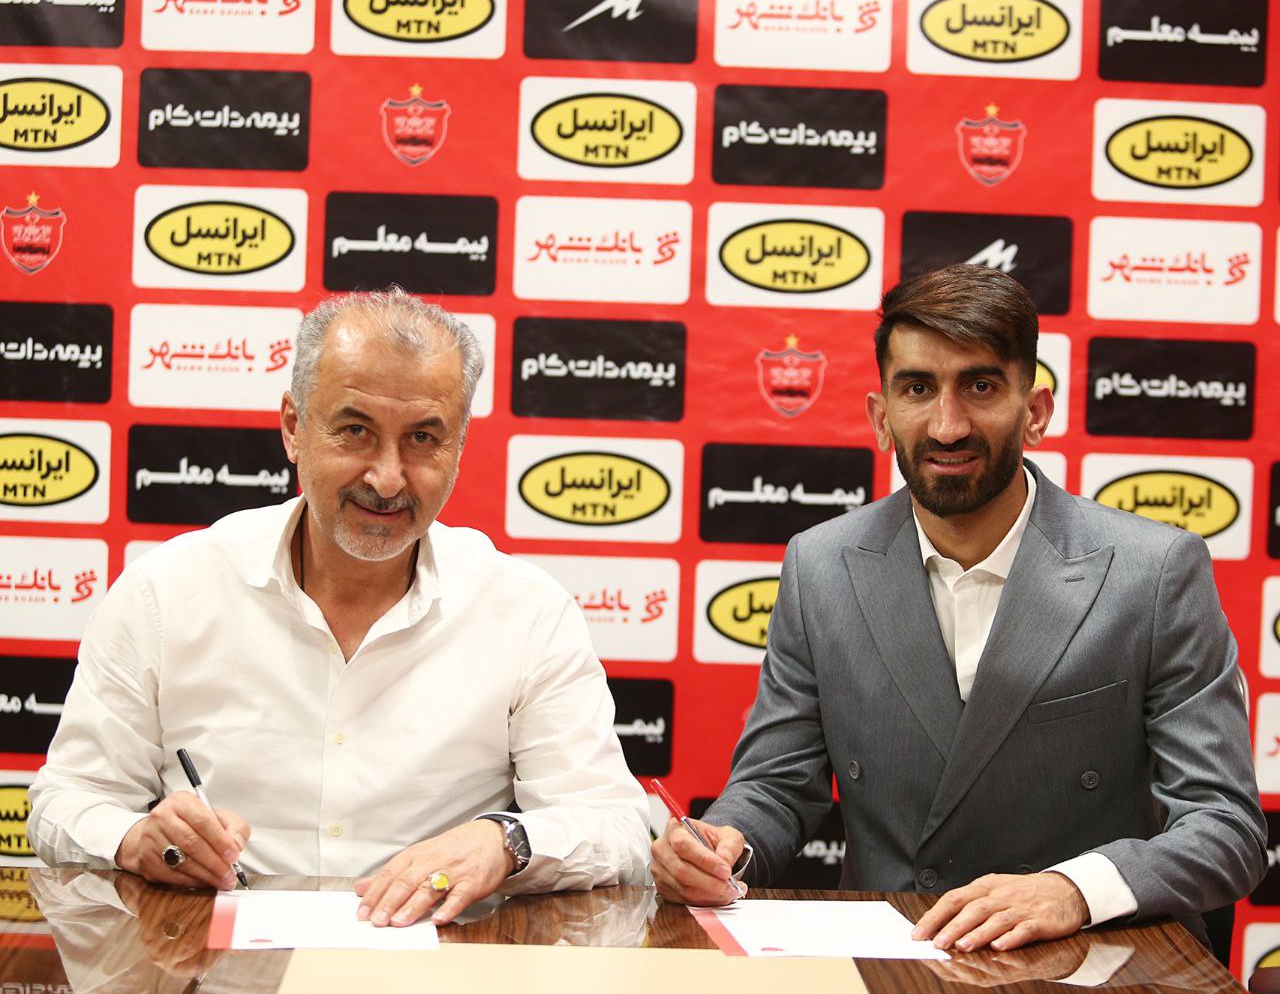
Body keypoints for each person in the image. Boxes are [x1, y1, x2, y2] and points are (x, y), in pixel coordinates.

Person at [651, 263, 1265, 952]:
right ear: (881, 417)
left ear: (1036, 411)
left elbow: (1226, 826)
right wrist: (724, 845)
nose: (947, 426)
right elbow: (774, 785)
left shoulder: (1153, 571)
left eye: (980, 386)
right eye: (918, 388)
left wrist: (1073, 889)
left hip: (1094, 965)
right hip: (894, 960)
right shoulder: (819, 567)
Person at [28, 289, 650, 927]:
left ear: (460, 446)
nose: (387, 478)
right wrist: (134, 839)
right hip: (212, 970)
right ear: (294, 427)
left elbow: (615, 826)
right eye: (356, 431)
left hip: (443, 966)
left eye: (423, 438)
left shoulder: (526, 612)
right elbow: (67, 801)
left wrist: (505, 841)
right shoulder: (166, 591)